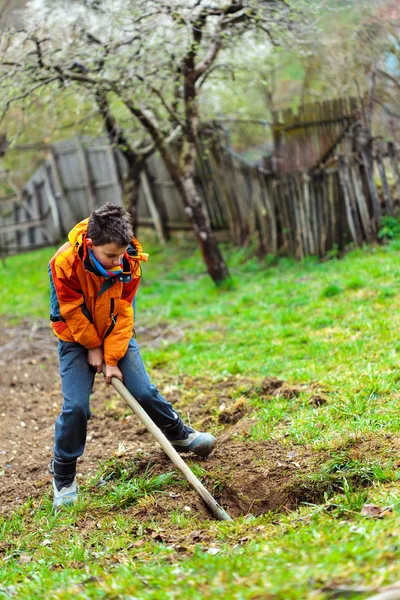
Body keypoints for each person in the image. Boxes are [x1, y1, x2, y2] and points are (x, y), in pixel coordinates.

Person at [48, 203, 215, 508]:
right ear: (90, 244)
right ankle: (63, 476)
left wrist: (111, 358)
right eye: (110, 255)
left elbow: (124, 313)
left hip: (115, 332)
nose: (116, 262)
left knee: (143, 391)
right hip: (74, 337)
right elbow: (68, 310)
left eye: (120, 255)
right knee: (75, 408)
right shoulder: (64, 262)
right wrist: (93, 348)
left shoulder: (130, 262)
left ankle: (179, 435)